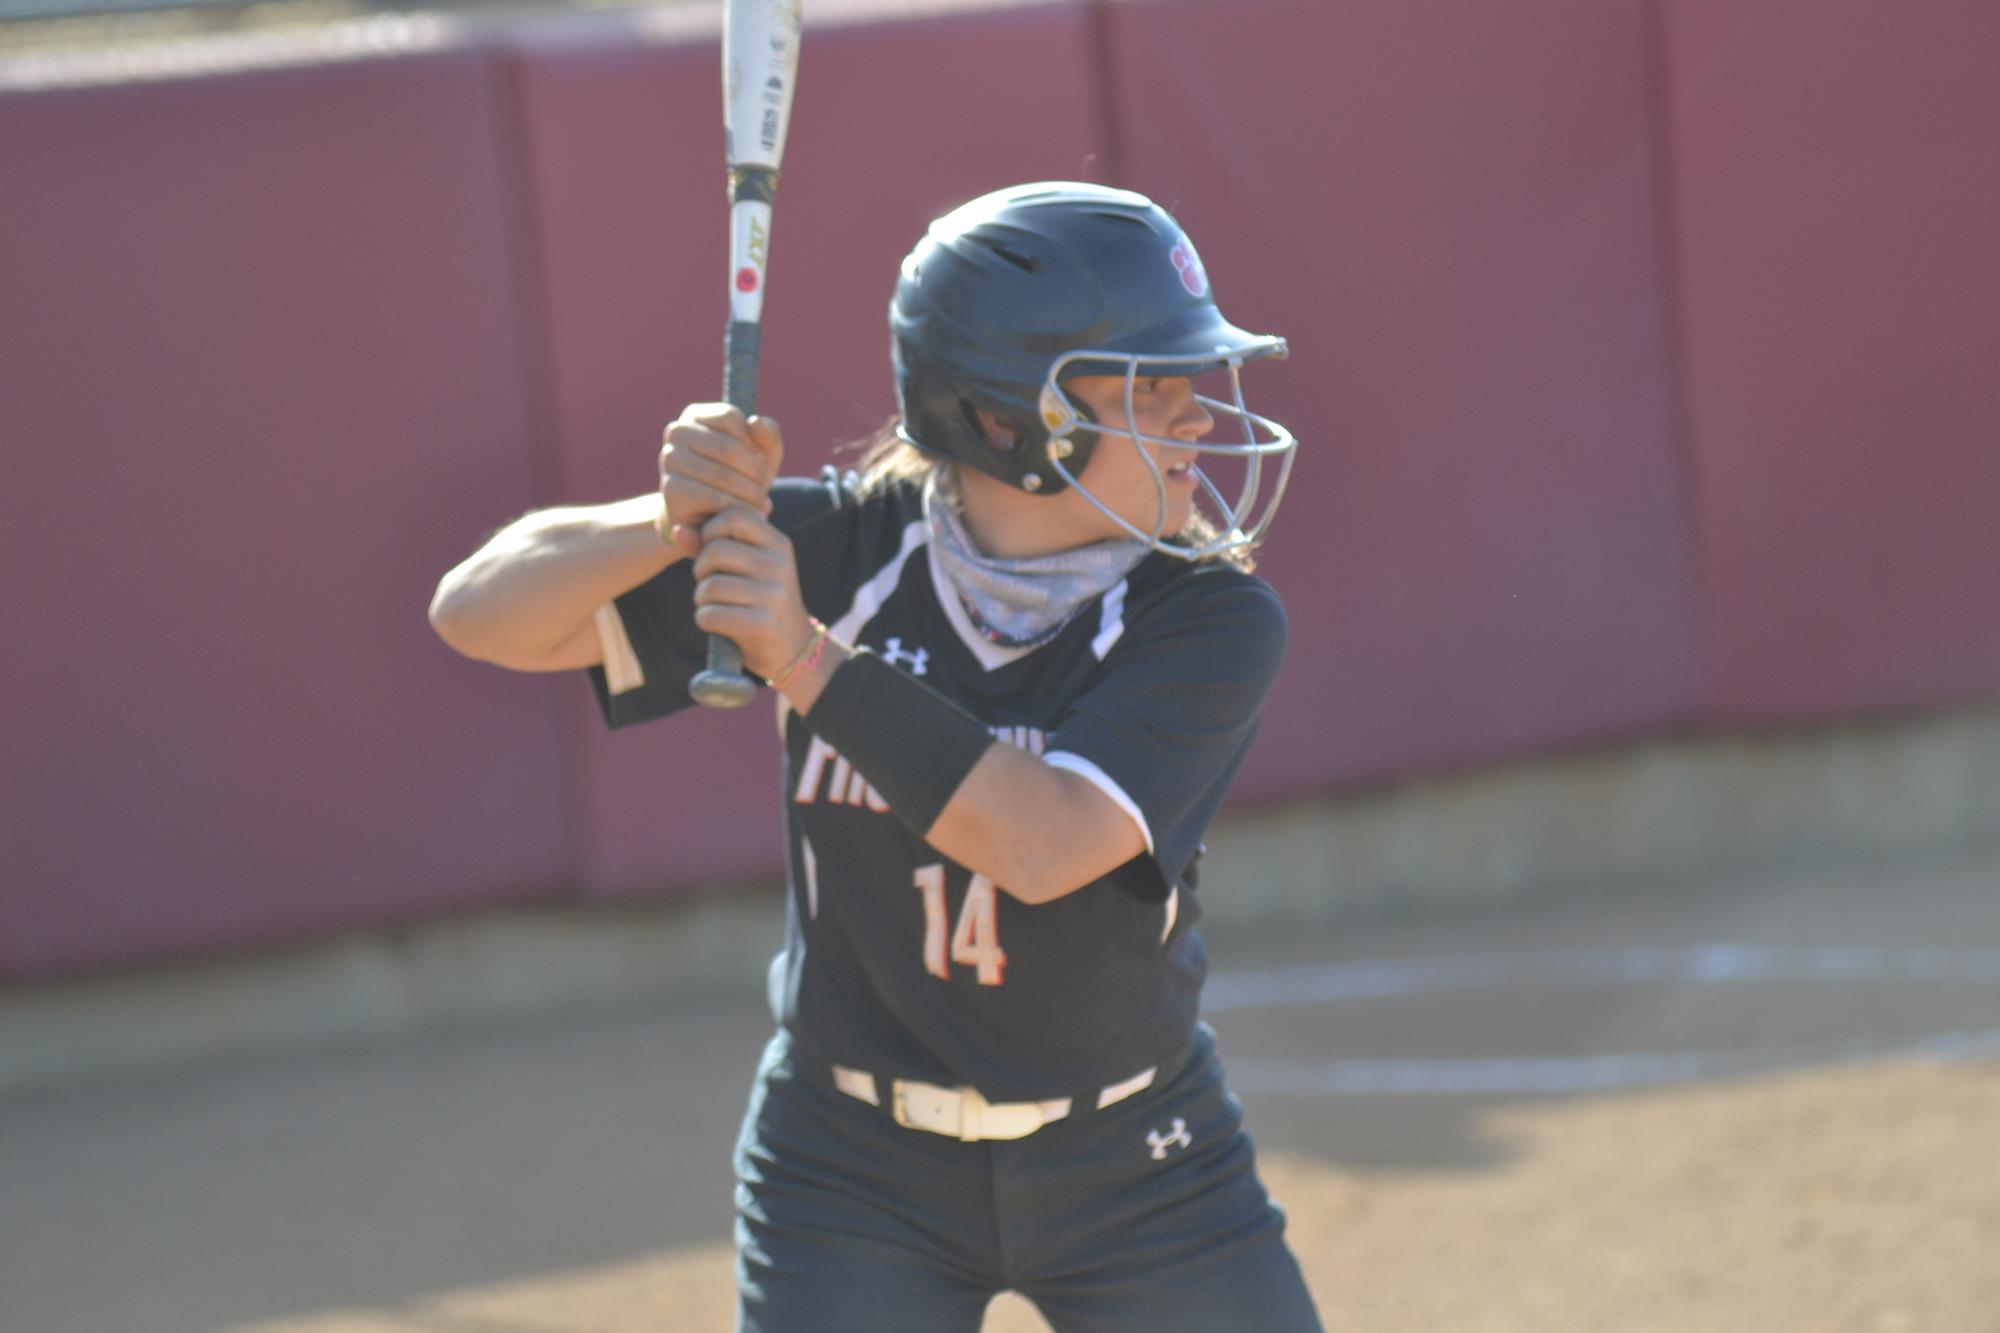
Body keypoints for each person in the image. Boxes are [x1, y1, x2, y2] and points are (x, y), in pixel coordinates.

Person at [429, 181, 1321, 1332]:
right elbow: (477, 614)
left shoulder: (1203, 616)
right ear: (1008, 421)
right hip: (848, 1171)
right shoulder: (844, 550)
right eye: (1151, 384)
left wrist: (801, 659)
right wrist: (666, 518)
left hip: (1139, 1160)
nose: (1197, 414)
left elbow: (1041, 841)